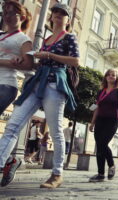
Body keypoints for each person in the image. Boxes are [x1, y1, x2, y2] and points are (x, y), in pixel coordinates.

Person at [0, 3, 79, 188]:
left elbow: (76, 61)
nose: (58, 15)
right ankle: (2, 163)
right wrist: (22, 60)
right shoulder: (47, 38)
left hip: (54, 85)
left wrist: (49, 56)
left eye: (62, 14)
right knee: (13, 125)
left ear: (68, 19)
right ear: (51, 17)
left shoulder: (69, 37)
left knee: (55, 131)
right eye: (55, 12)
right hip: (37, 83)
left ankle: (57, 174)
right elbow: (39, 64)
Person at [89, 69, 118, 182]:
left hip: (113, 120)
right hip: (100, 120)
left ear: (116, 78)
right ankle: (100, 174)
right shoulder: (101, 92)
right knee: (99, 146)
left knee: (103, 143)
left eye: (114, 75)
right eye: (109, 75)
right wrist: (92, 123)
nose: (111, 77)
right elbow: (97, 108)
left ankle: (111, 165)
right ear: (105, 77)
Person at [0, 0, 33, 116]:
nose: (6, 16)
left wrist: (3, 62)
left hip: (5, 84)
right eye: (5, 13)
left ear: (22, 17)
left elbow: (29, 65)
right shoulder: (1, 34)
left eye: (11, 13)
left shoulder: (24, 39)